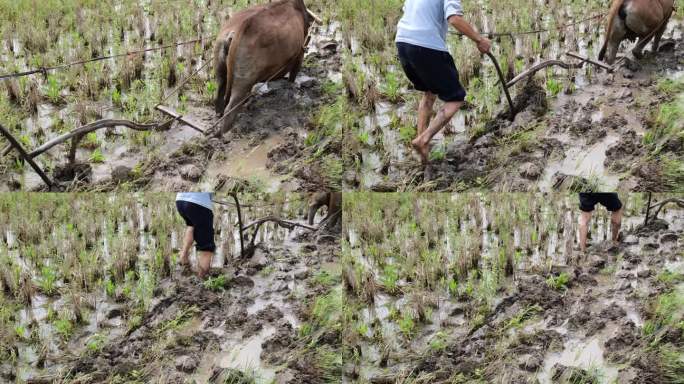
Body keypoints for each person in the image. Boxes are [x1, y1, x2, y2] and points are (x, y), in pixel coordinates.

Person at [395, 0, 492, 166]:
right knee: (456, 97)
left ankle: (422, 153)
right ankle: (424, 139)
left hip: (403, 42)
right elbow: (454, 19)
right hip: (425, 45)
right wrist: (479, 40)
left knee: (429, 92)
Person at [176, 192, 215, 278]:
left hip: (180, 200)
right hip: (198, 204)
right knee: (207, 247)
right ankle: (202, 281)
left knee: (191, 226)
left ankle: (183, 257)